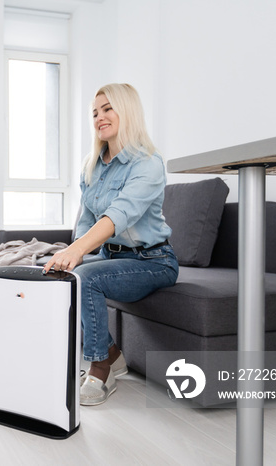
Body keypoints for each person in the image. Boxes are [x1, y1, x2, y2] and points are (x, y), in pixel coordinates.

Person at [43, 83, 179, 406]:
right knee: (62, 274)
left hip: (153, 261)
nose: (99, 117)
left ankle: (101, 366)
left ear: (126, 111)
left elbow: (118, 215)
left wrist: (76, 254)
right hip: (112, 257)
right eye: (94, 112)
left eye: (107, 109)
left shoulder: (148, 163)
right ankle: (112, 352)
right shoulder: (92, 167)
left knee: (87, 279)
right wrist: (70, 255)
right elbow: (87, 224)